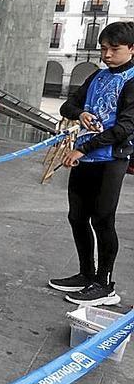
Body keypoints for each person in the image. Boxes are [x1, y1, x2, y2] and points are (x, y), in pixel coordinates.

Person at [50, 21, 134, 306]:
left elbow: (124, 128)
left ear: (132, 49)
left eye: (114, 49)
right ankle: (86, 274)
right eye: (103, 48)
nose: (107, 54)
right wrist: (82, 113)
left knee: (102, 219)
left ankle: (104, 283)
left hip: (111, 159)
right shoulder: (97, 77)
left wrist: (82, 148)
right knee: (77, 216)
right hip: (85, 158)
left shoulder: (132, 80)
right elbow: (67, 106)